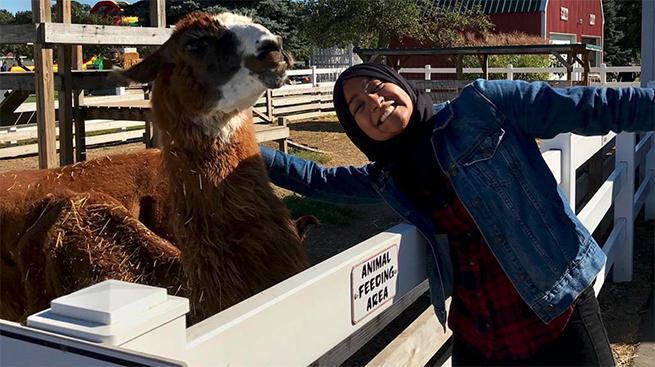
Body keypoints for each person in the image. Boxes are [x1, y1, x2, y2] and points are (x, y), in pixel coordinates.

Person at [260, 63, 654, 366]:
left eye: (377, 86)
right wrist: (233, 145)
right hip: (480, 335)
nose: (374, 102)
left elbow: (593, 107)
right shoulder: (388, 178)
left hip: (558, 309)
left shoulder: (484, 105)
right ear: (357, 129)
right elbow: (316, 178)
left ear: (401, 85)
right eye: (358, 106)